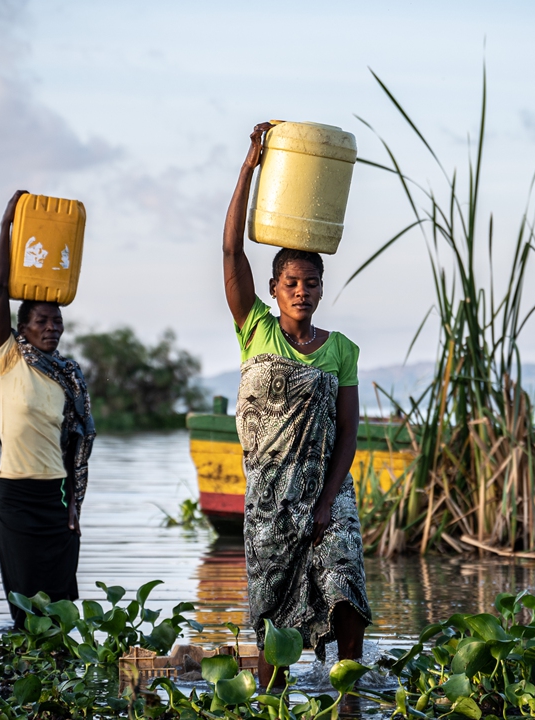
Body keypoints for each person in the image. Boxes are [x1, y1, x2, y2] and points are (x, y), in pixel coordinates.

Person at [222, 123, 372, 686]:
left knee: (347, 593)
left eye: (310, 282)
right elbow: (231, 248)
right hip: (269, 499)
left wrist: (327, 502)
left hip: (327, 493)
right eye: (291, 282)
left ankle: (350, 695)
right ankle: (270, 699)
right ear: (274, 286)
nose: (301, 291)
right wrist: (250, 167)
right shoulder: (254, 329)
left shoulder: (341, 351)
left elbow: (349, 433)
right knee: (273, 617)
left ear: (320, 287)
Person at [0, 189, 96, 629]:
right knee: (25, 606)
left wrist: (74, 507)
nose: (51, 328)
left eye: (57, 321)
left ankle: (63, 684)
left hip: (57, 498)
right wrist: (7, 225)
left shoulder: (68, 375)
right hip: (16, 499)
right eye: (41, 322)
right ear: (21, 328)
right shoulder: (8, 356)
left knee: (62, 607)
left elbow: (79, 443)